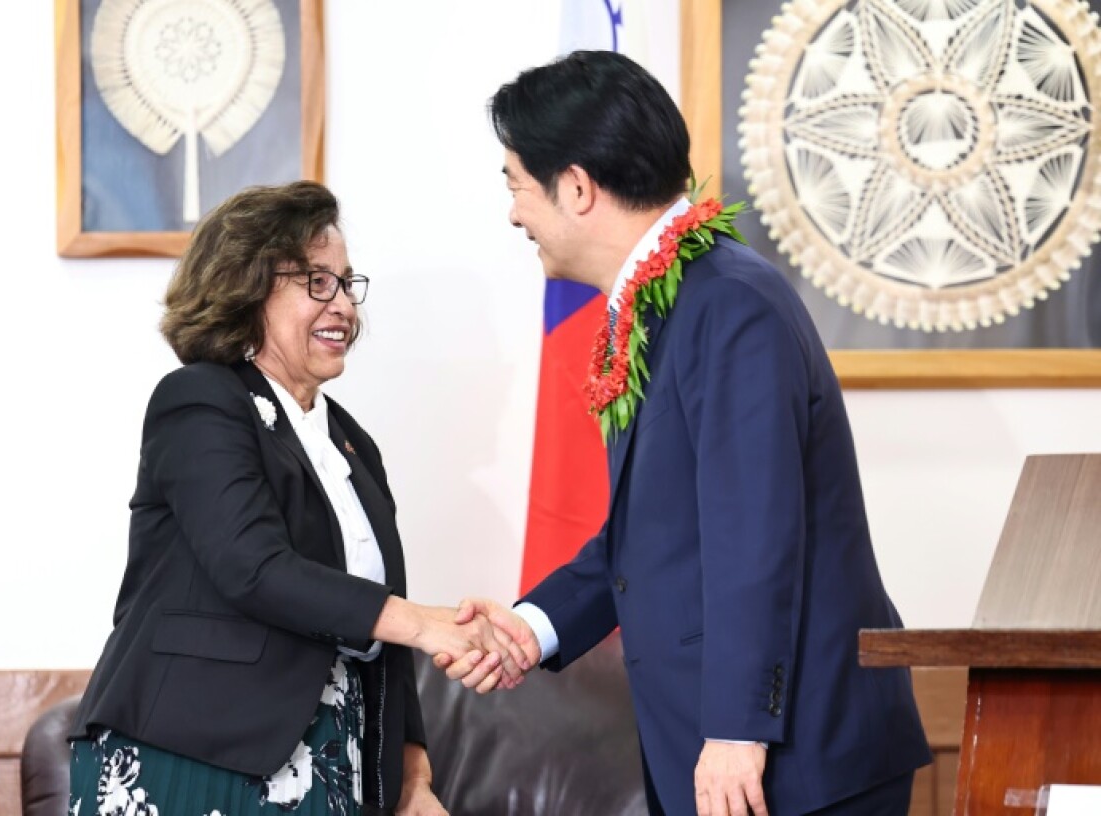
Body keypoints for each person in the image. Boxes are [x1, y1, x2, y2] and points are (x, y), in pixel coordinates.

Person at [439, 51, 932, 816]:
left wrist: (737, 733)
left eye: (514, 184)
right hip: (727, 754)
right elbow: (651, 535)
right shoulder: (671, 302)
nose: (512, 214)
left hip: (794, 764)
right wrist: (532, 628)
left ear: (575, 187)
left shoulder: (730, 306)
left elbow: (755, 533)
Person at [69, 181, 527, 816]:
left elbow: (378, 631)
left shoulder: (352, 444)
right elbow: (252, 568)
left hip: (330, 767)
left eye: (346, 284)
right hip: (192, 754)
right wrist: (423, 621)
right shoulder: (200, 400)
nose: (343, 305)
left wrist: (413, 779)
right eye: (316, 282)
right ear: (247, 285)